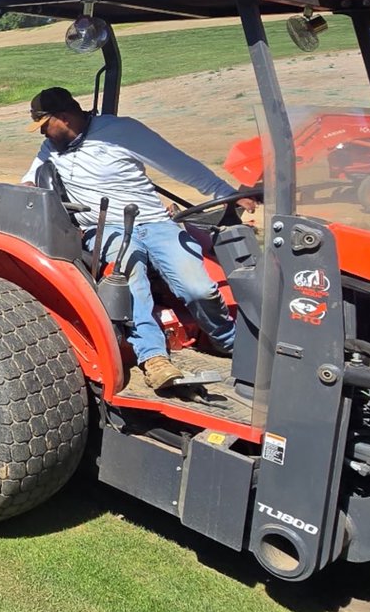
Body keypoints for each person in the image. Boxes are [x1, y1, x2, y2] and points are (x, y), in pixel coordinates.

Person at [23, 87, 255, 392]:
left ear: (64, 118)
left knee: (198, 287)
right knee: (129, 272)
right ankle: (154, 357)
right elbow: (29, 181)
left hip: (155, 223)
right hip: (105, 228)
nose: (43, 135)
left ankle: (228, 341)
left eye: (44, 126)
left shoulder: (120, 131)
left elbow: (180, 165)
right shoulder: (51, 150)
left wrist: (228, 195)